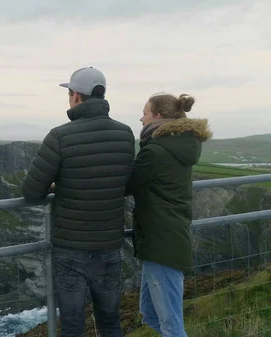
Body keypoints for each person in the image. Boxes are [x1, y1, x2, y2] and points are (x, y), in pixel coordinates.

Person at [21, 67, 135, 337]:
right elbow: (125, 181)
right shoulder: (126, 134)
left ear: (75, 96)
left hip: (70, 249)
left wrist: (58, 185)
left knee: (72, 326)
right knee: (110, 321)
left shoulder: (60, 136)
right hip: (108, 246)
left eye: (69, 92)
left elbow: (31, 191)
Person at [126, 92, 212, 337]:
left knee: (171, 324)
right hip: (166, 237)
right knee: (150, 313)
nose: (140, 118)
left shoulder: (156, 151)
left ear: (158, 116)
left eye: (144, 112)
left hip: (160, 241)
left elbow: (127, 184)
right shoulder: (178, 145)